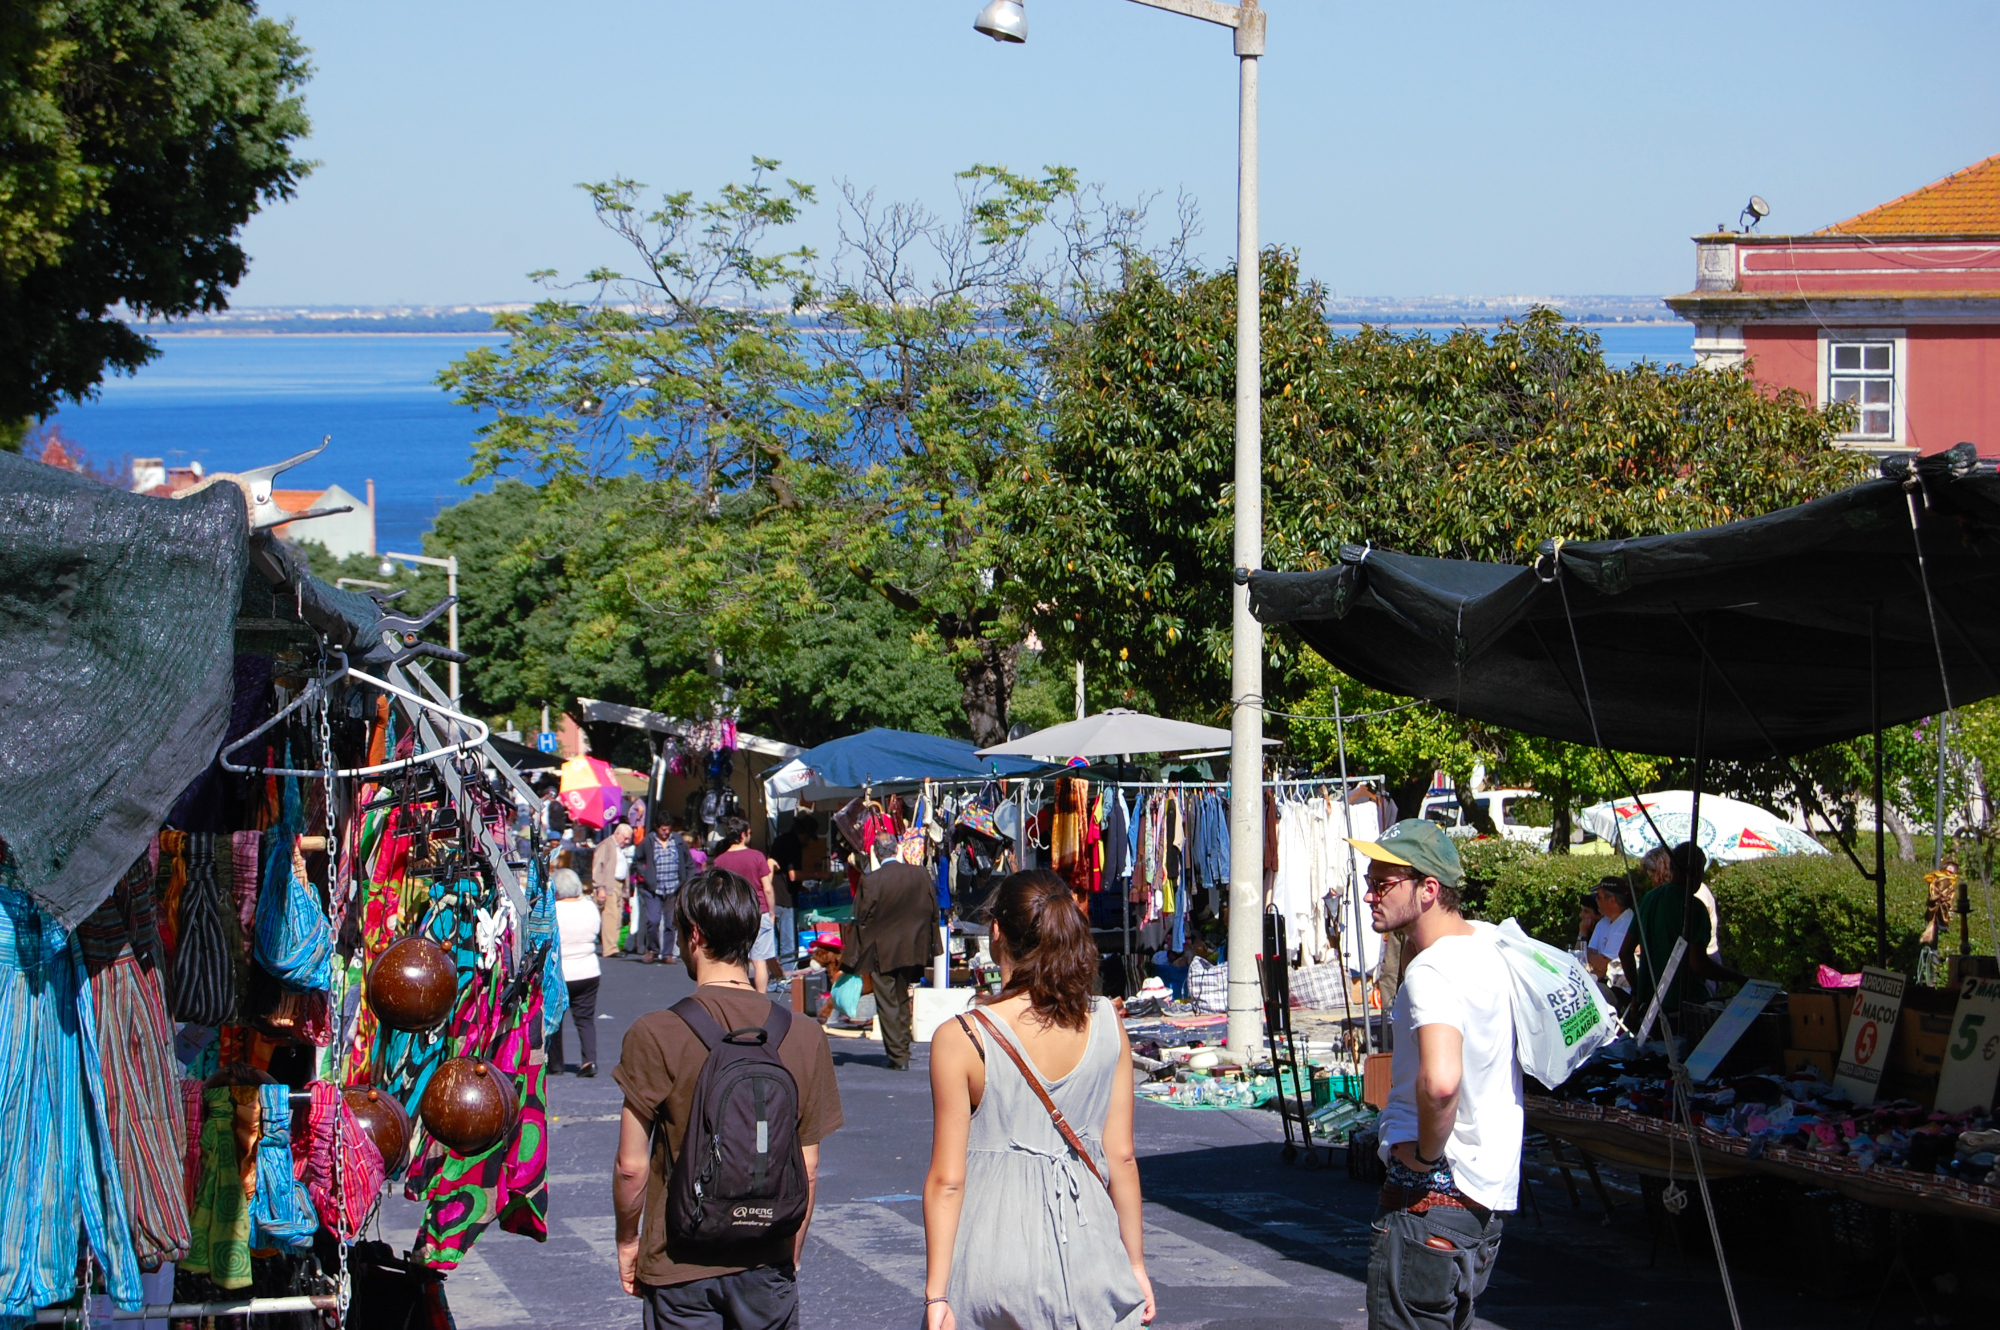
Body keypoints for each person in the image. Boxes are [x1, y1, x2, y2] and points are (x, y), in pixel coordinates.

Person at [922, 869, 1153, 1329]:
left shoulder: (962, 1037)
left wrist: (936, 1295)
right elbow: (1121, 1158)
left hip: (994, 1256)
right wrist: (1136, 1266)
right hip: (1091, 1252)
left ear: (996, 932)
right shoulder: (1108, 1023)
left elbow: (947, 1181)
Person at [613, 868, 844, 1327]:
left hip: (679, 1260)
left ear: (693, 934)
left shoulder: (656, 1031)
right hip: (766, 1258)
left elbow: (631, 1166)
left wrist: (627, 1241)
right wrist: (790, 1249)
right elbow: (809, 1166)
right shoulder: (802, 1033)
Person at [1350, 819, 1517, 1330]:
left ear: (1428, 889)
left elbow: (1441, 1082)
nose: (1368, 895)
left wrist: (1423, 1156)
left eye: (1383, 883)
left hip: (1429, 1200)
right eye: (1369, 880)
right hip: (1480, 1202)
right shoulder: (1488, 947)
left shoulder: (1432, 971)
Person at [1622, 842, 1746, 1026]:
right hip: (1687, 1007)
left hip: (1652, 1007)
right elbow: (1698, 964)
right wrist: (1738, 977)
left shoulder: (1649, 899)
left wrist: (1638, 991)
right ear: (1694, 871)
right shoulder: (1694, 908)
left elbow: (1625, 952)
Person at [853, 855, 943, 1072]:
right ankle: (903, 1046)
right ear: (897, 850)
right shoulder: (920, 874)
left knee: (887, 1001)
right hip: (911, 946)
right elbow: (934, 908)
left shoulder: (872, 879)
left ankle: (898, 1055)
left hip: (881, 949)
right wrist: (932, 942)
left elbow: (859, 915)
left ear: (876, 853)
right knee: (902, 995)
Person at [713, 818, 778, 992]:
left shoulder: (720, 861)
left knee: (737, 959)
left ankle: (739, 994)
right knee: (759, 961)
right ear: (743, 835)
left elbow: (718, 890)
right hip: (758, 910)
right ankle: (761, 998)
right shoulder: (757, 856)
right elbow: (768, 889)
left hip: (733, 911)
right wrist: (771, 912)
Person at [548, 868, 602, 1077]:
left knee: (555, 1017)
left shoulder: (554, 910)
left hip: (561, 971)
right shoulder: (590, 908)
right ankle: (589, 1060)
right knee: (585, 1019)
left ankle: (555, 1063)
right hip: (588, 968)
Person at [768, 813, 820, 971]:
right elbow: (793, 875)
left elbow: (781, 871)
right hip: (786, 900)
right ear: (802, 833)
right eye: (808, 837)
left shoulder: (780, 840)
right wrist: (820, 875)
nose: (808, 842)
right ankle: (788, 978)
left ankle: (775, 977)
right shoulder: (794, 844)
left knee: (775, 945)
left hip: (775, 897)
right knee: (789, 946)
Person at [642, 816, 695, 964]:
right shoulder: (649, 841)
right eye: (663, 829)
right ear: (657, 828)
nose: (666, 832)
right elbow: (637, 861)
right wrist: (645, 875)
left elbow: (689, 863)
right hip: (654, 888)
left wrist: (686, 881)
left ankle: (668, 953)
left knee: (671, 922)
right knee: (653, 920)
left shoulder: (677, 841)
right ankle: (652, 949)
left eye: (668, 829)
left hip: (673, 888)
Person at [1585, 876, 1634, 1006]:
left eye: (1599, 897)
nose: (1596, 900)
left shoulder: (1627, 923)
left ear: (1612, 900)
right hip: (1602, 983)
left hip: (1619, 989)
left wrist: (1590, 959)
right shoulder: (1603, 922)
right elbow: (1589, 952)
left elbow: (1604, 966)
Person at [593, 821, 635, 958]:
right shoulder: (606, 845)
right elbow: (597, 866)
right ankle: (610, 948)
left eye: (629, 838)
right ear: (617, 834)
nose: (627, 841)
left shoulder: (619, 848)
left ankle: (614, 946)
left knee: (617, 916)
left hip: (619, 885)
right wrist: (600, 887)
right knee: (610, 916)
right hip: (609, 884)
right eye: (625, 838)